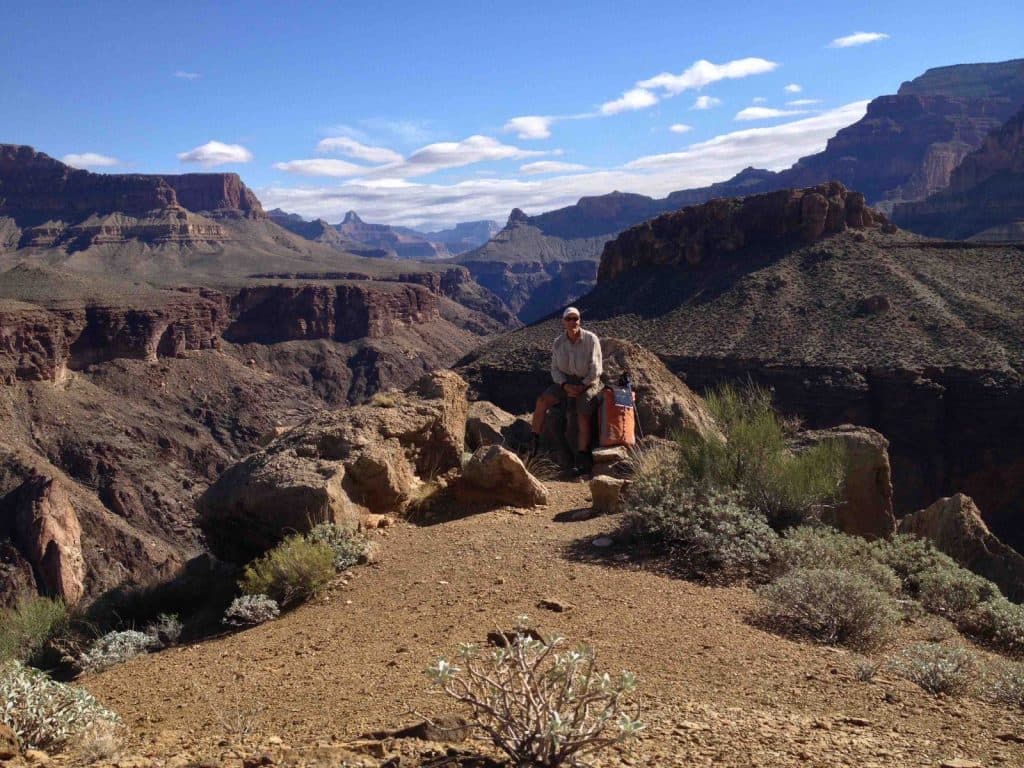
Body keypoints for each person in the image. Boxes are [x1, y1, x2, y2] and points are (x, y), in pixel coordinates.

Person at [529, 306, 603, 474]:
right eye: (569, 319)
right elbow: (555, 369)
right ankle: (535, 442)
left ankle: (582, 457)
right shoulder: (558, 342)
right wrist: (564, 385)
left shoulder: (591, 340)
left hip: (588, 383)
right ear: (563, 322)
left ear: (580, 320)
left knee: (582, 412)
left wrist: (582, 386)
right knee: (542, 402)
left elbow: (596, 369)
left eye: (575, 318)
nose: (572, 322)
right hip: (565, 383)